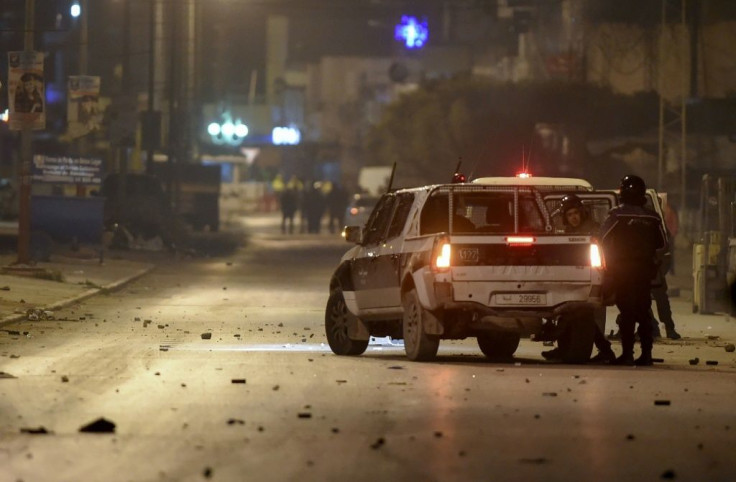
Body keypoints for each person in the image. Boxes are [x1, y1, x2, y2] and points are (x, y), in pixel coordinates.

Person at [600, 175, 667, 366]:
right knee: (643, 311)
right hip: (644, 272)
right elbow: (662, 244)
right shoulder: (652, 218)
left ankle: (627, 354)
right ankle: (646, 355)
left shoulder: (616, 215)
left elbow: (601, 239)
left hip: (622, 272)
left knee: (627, 313)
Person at [541, 194, 616, 363]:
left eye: (576, 213)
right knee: (572, 314)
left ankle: (605, 350)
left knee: (584, 316)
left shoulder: (594, 231)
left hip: (591, 277)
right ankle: (566, 348)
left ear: (582, 213)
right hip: (575, 278)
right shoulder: (568, 233)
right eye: (569, 215)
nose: (573, 217)